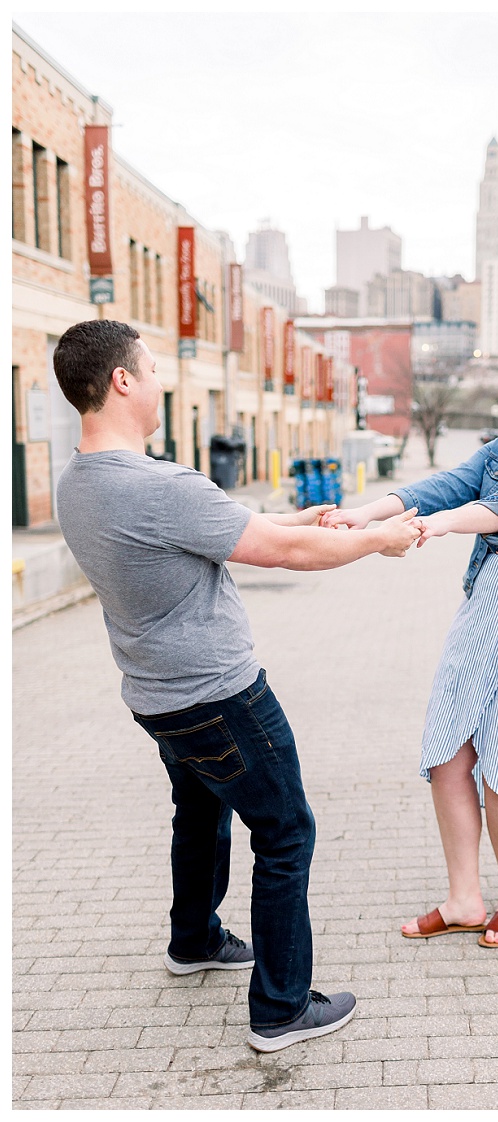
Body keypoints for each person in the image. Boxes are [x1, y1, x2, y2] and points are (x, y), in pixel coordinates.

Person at [50, 319, 422, 1053]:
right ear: (122, 381)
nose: (161, 381)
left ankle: (194, 939)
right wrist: (376, 538)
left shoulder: (79, 481)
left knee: (201, 811)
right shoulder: (158, 484)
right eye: (152, 369)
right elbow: (281, 553)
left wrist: (305, 517)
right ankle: (281, 1009)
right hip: (222, 699)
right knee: (285, 833)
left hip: (158, 699)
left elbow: (234, 527)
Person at [324, 353, 498, 948]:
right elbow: (439, 488)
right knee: (449, 748)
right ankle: (463, 899)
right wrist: (364, 515)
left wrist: (441, 526)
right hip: (484, 611)